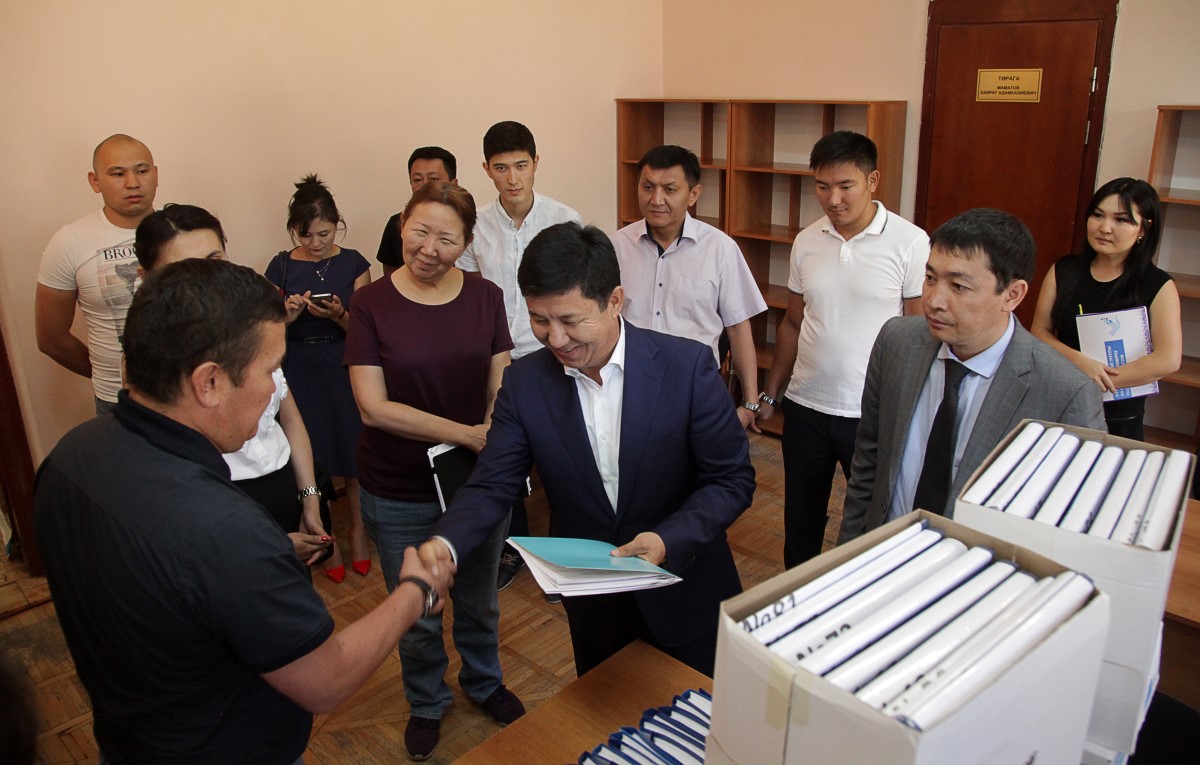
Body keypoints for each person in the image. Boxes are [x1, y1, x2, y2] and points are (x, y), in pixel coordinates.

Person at [34, 258, 453, 764]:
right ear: (209, 382)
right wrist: (416, 590)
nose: (276, 388)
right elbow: (326, 679)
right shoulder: (224, 529)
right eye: (271, 369)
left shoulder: (69, 457)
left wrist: (261, 560)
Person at [420, 222, 756, 680]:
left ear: (614, 300)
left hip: (686, 593)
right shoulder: (525, 384)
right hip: (595, 608)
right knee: (602, 714)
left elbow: (732, 480)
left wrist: (667, 540)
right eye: (540, 320)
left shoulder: (686, 367)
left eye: (570, 320)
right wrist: (445, 543)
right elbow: (492, 484)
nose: (555, 339)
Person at [344, 182, 523, 761]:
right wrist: (467, 433)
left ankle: (484, 682)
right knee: (415, 609)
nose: (429, 248)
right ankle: (426, 701)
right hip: (398, 487)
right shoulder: (370, 304)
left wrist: (493, 427)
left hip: (475, 484)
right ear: (402, 225)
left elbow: (502, 374)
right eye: (420, 231)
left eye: (447, 238)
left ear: (466, 243)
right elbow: (373, 407)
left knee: (479, 598)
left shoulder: (486, 296)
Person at [839, 208, 1106, 543]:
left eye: (959, 286)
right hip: (885, 549)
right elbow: (868, 463)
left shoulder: (1066, 393)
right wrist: (848, 552)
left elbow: (1074, 523)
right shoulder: (897, 342)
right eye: (930, 278)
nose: (934, 301)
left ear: (1012, 295)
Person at [756, 131, 929, 567]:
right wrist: (771, 393)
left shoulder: (910, 242)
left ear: (872, 180)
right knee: (801, 518)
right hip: (806, 405)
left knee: (873, 518)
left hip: (872, 410)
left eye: (845, 186)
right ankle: (798, 591)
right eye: (822, 186)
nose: (833, 199)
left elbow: (918, 335)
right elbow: (793, 321)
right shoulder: (806, 240)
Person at [136, 204, 334, 569]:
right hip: (223, 510)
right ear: (150, 279)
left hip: (280, 485)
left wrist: (309, 496)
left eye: (215, 260)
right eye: (187, 270)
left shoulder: (250, 327)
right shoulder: (152, 363)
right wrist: (265, 546)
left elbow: (288, 418)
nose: (209, 279)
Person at [457, 120, 582, 592]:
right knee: (504, 455)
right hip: (499, 359)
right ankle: (514, 549)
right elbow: (471, 295)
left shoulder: (564, 220)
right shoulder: (476, 226)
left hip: (555, 353)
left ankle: (568, 555)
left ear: (536, 163)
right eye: (501, 167)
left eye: (521, 165)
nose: (513, 178)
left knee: (566, 456)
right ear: (486, 169)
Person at [611, 144, 766, 430]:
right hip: (629, 386)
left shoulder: (720, 249)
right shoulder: (616, 246)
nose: (656, 199)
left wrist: (750, 403)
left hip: (696, 388)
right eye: (648, 187)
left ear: (693, 194)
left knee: (697, 458)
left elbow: (738, 327)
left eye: (669, 189)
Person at [265, 175, 371, 582]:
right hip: (299, 367)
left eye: (324, 234)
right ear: (295, 229)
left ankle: (359, 531)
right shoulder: (280, 266)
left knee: (354, 451)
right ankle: (328, 540)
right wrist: (288, 317)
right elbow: (265, 330)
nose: (315, 243)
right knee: (313, 455)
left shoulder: (355, 263)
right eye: (305, 235)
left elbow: (365, 332)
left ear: (337, 224)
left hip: (344, 363)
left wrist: (340, 314)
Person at [1032, 178, 1182, 440]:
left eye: (1121, 220)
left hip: (1119, 413)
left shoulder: (1158, 284)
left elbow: (1168, 359)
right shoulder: (1063, 270)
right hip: (1059, 400)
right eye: (1098, 215)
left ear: (1144, 229)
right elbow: (1039, 332)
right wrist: (1081, 364)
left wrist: (1099, 378)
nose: (1104, 228)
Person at [36, 134, 159, 415]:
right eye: (117, 173)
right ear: (95, 181)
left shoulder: (183, 231)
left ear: (155, 174)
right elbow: (51, 339)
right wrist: (105, 375)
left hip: (191, 397)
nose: (132, 183)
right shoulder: (70, 242)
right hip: (119, 401)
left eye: (142, 171)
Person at [376, 146, 458, 276]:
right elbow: (390, 278)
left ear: (453, 184)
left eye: (434, 179)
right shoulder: (397, 223)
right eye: (418, 180)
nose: (425, 186)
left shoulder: (468, 224)